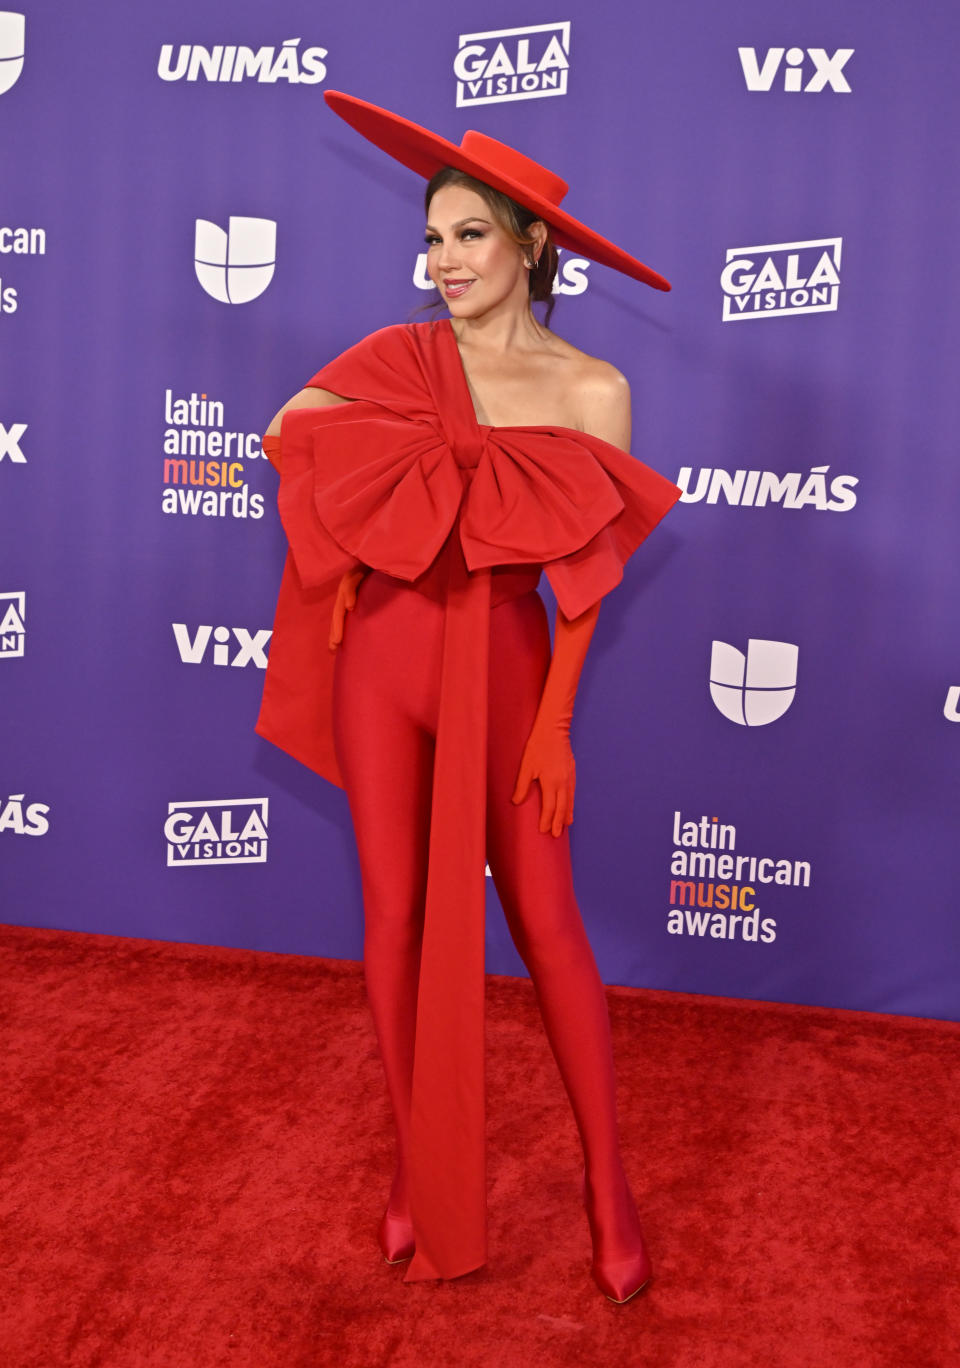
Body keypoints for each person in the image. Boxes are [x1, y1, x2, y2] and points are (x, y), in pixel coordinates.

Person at [257, 90, 681, 1304]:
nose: (442, 263)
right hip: (382, 670)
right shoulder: (398, 361)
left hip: (503, 672)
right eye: (434, 238)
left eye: (470, 238)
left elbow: (586, 588)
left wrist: (553, 728)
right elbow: (292, 436)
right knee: (390, 921)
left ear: (531, 246)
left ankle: (609, 1185)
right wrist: (376, 467)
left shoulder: (592, 390)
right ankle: (415, 1163)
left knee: (548, 925)